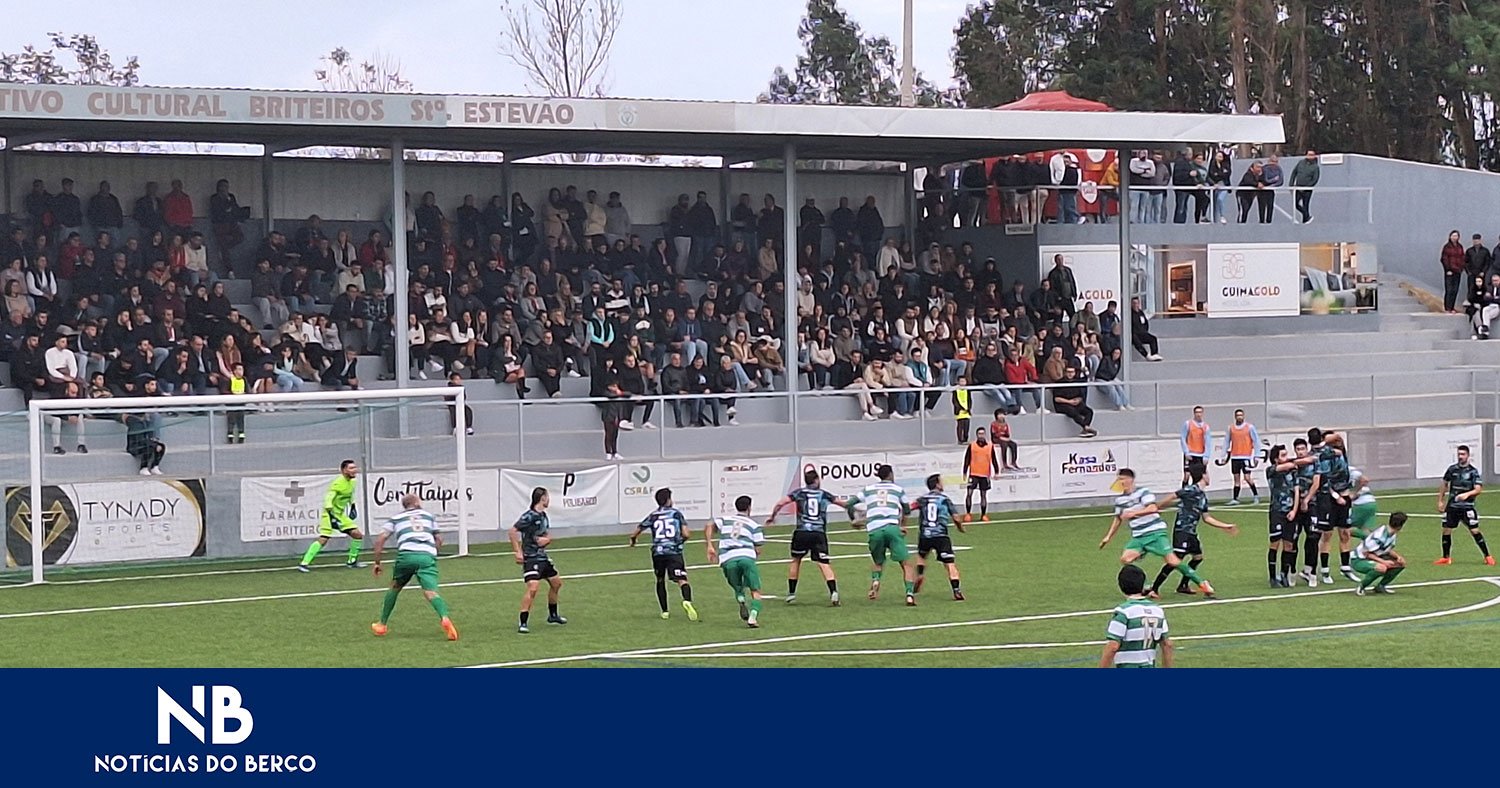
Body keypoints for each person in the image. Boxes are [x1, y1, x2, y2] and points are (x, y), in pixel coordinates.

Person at [1098, 468, 1215, 598]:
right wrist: (1108, 537)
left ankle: (1202, 583)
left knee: (1173, 561)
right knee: (1126, 558)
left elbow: (1153, 508)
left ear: (1130, 479)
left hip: (1155, 533)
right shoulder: (1120, 500)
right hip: (1139, 536)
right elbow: (1118, 518)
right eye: (1119, 479)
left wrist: (1134, 513)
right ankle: (1147, 587)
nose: (1121, 482)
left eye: (1123, 479)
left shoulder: (1143, 492)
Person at [369, 493, 459, 641]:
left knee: (395, 587)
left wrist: (377, 562)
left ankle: (382, 625)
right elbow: (439, 539)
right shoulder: (428, 516)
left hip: (407, 555)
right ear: (417, 503)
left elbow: (380, 539)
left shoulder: (396, 518)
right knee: (431, 592)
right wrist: (431, 554)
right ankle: (444, 617)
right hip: (426, 556)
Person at [1148, 460, 1239, 597]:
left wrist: (1225, 526)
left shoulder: (1202, 496)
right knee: (1175, 560)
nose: (1209, 476)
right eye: (1207, 473)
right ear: (1203, 475)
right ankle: (1154, 588)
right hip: (1182, 531)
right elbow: (1174, 495)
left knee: (1198, 557)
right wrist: (1157, 508)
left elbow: (1206, 518)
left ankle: (1183, 585)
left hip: (1191, 532)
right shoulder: (1191, 490)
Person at [765, 468, 845, 606]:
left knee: (796, 560)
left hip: (801, 531)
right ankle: (834, 592)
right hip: (818, 532)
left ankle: (791, 594)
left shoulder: (799, 493)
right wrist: (856, 510)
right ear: (816, 480)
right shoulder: (823, 494)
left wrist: (773, 517)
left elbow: (780, 503)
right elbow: (842, 503)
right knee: (823, 563)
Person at [843, 463, 916, 605]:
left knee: (878, 561)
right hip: (892, 528)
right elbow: (907, 509)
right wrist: (903, 525)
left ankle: (876, 581)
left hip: (874, 528)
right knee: (906, 563)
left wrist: (854, 520)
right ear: (890, 475)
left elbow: (850, 503)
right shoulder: (898, 489)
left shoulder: (868, 489)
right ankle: (909, 594)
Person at [630, 487, 698, 621]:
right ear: (668, 500)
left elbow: (638, 530)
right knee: (682, 579)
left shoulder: (653, 515)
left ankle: (665, 611)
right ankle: (687, 601)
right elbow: (686, 534)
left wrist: (633, 540)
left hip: (658, 552)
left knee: (660, 580)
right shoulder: (676, 514)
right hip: (673, 551)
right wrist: (680, 541)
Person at [1306, 428, 1359, 584]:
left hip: (1345, 495)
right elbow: (1323, 480)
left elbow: (1337, 437)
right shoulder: (1321, 454)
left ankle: (1345, 567)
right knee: (1327, 535)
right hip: (1328, 498)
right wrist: (1335, 496)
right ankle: (1325, 570)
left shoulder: (1340, 450)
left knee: (1345, 533)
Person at [511, 487, 567, 633]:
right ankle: (523, 622)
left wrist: (547, 540)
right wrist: (518, 551)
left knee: (556, 583)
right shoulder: (529, 516)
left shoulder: (544, 516)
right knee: (533, 588)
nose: (549, 500)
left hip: (542, 558)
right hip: (531, 558)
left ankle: (553, 615)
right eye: (547, 497)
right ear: (542, 498)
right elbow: (512, 531)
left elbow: (546, 535)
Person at [705, 495, 767, 628]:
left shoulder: (726, 519)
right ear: (749, 508)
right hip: (746, 556)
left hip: (727, 558)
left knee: (737, 586)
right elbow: (758, 547)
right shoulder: (754, 525)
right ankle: (753, 617)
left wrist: (710, 544)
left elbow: (709, 525)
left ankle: (741, 599)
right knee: (755, 590)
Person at [296, 459, 364, 572]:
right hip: (329, 514)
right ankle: (304, 563)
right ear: (343, 470)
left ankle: (352, 561)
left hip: (340, 515)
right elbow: (328, 499)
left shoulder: (353, 482)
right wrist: (332, 517)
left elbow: (350, 494)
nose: (355, 470)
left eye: (355, 468)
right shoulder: (337, 483)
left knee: (357, 535)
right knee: (323, 539)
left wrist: (352, 506)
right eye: (351, 468)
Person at [1100, 564, 1174, 668]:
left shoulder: (1123, 612)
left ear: (1121, 585)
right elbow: (1167, 644)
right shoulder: (1157, 611)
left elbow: (1112, 646)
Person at [1264, 444, 1314, 587]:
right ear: (1275, 459)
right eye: (1282, 455)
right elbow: (1282, 467)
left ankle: (1284, 574)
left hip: (1290, 513)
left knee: (1289, 544)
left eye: (1286, 454)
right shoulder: (1271, 471)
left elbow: (1296, 491)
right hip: (1277, 512)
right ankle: (1273, 577)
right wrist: (1294, 462)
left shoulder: (1293, 472)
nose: (1286, 458)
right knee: (1275, 543)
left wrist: (1294, 510)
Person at [911, 474, 967, 601]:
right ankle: (956, 590)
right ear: (937, 484)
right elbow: (956, 517)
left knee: (921, 556)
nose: (943, 484)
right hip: (941, 535)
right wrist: (960, 527)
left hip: (925, 535)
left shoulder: (922, 499)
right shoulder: (944, 499)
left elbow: (909, 508)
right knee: (949, 564)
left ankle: (920, 574)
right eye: (941, 482)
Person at [1436, 444, 1493, 566]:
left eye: (1462, 454)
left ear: (1468, 455)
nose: (1460, 457)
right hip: (1452, 506)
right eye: (1458, 454)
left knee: (1474, 530)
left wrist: (1467, 495)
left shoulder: (1473, 472)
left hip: (1467, 507)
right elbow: (1444, 484)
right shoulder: (1452, 469)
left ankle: (1488, 556)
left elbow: (1478, 489)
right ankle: (1446, 557)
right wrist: (1440, 500)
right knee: (1446, 530)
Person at [1352, 512, 1408, 596]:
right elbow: (1366, 553)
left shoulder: (1392, 533)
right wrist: (1383, 562)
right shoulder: (1379, 536)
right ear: (1400, 526)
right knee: (1381, 568)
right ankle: (1361, 587)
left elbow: (1387, 550)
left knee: (1400, 564)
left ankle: (1381, 586)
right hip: (1359, 559)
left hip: (1374, 556)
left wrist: (1398, 557)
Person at [962, 428, 1002, 521]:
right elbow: (967, 459)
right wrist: (964, 471)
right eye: (979, 434)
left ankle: (983, 515)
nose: (981, 435)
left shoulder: (990, 446)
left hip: (984, 474)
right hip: (973, 473)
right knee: (969, 493)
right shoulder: (972, 446)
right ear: (977, 435)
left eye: (983, 433)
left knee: (983, 495)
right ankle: (968, 514)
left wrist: (996, 471)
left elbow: (994, 459)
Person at [1224, 409, 1260, 504]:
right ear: (1235, 417)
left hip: (1246, 457)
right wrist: (1224, 455)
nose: (1239, 417)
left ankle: (1256, 495)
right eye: (1237, 415)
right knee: (1236, 479)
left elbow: (1256, 441)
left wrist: (1257, 456)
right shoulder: (1231, 428)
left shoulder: (1249, 427)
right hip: (1235, 457)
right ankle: (1235, 498)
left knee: (1247, 477)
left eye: (1241, 415)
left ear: (1243, 416)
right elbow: (1227, 442)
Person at [1050, 366, 1096, 437]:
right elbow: (1057, 399)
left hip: (1075, 403)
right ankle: (1086, 427)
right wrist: (1069, 401)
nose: (1070, 374)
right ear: (1065, 373)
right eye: (1068, 372)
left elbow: (1081, 395)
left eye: (1072, 372)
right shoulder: (1059, 383)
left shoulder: (1076, 382)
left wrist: (1078, 400)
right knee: (1073, 412)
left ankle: (1085, 429)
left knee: (1089, 411)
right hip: (1063, 404)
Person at [1180, 406, 1212, 485]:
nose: (1198, 414)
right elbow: (1183, 438)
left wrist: (1206, 456)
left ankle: (1196, 495)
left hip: (1200, 455)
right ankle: (1185, 493)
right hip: (1190, 454)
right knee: (1187, 475)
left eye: (1200, 412)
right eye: (1197, 412)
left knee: (1198, 477)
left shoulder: (1205, 427)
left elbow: (1208, 442)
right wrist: (1186, 452)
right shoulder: (1188, 424)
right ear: (1194, 413)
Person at [1289, 150, 1320, 223]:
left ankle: (1305, 220)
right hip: (1298, 188)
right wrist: (1291, 184)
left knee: (1306, 204)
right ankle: (1307, 215)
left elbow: (1315, 179)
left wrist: (1306, 187)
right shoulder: (1301, 163)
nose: (1310, 156)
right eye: (1308, 154)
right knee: (1296, 204)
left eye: (1312, 155)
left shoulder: (1315, 167)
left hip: (1307, 190)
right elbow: (1294, 172)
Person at [1442, 231, 1468, 314]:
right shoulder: (1447, 247)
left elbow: (1462, 258)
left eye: (1456, 236)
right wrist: (1448, 269)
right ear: (1450, 237)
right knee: (1449, 290)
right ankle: (1447, 308)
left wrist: (1462, 267)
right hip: (1450, 271)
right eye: (1453, 236)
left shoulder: (1460, 246)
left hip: (1458, 271)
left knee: (1455, 290)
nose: (1454, 237)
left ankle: (1452, 307)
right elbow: (1444, 259)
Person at [225, 362, 247, 444]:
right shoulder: (230, 380)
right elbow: (225, 391)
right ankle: (230, 435)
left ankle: (241, 435)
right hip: (232, 404)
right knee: (231, 419)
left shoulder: (244, 380)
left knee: (241, 419)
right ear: (234, 371)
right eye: (239, 369)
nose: (241, 371)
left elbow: (247, 390)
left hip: (241, 404)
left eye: (242, 369)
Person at [952, 375, 972, 444]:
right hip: (959, 411)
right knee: (960, 426)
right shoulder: (956, 391)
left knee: (967, 426)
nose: (962, 383)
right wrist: (960, 408)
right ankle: (960, 439)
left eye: (964, 381)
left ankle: (966, 439)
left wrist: (968, 408)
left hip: (967, 411)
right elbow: (954, 401)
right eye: (961, 381)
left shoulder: (967, 390)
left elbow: (970, 400)